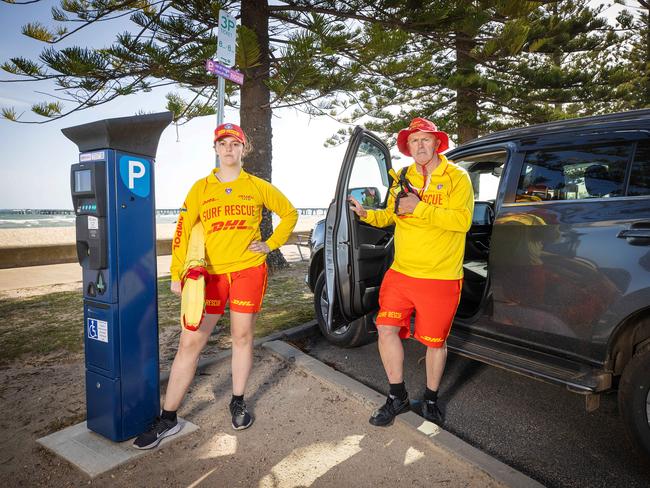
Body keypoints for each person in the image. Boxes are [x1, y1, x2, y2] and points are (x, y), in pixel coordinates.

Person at [134, 122, 298, 449]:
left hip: (248, 271)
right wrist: (178, 273)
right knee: (190, 343)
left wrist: (270, 243)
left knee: (241, 336)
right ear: (216, 149)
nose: (228, 149)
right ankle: (168, 418)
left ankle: (237, 401)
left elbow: (290, 213)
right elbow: (183, 230)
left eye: (234, 144)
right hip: (209, 276)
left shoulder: (257, 185)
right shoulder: (201, 188)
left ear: (243, 149)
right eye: (222, 144)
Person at [348, 117, 474, 427]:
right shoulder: (403, 176)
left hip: (440, 276)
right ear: (408, 146)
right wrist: (367, 214)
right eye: (414, 140)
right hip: (401, 273)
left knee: (434, 343)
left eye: (425, 139)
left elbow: (462, 222)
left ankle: (430, 398)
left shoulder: (457, 177)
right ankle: (396, 396)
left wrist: (420, 208)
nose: (419, 145)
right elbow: (392, 215)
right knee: (385, 328)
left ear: (437, 143)